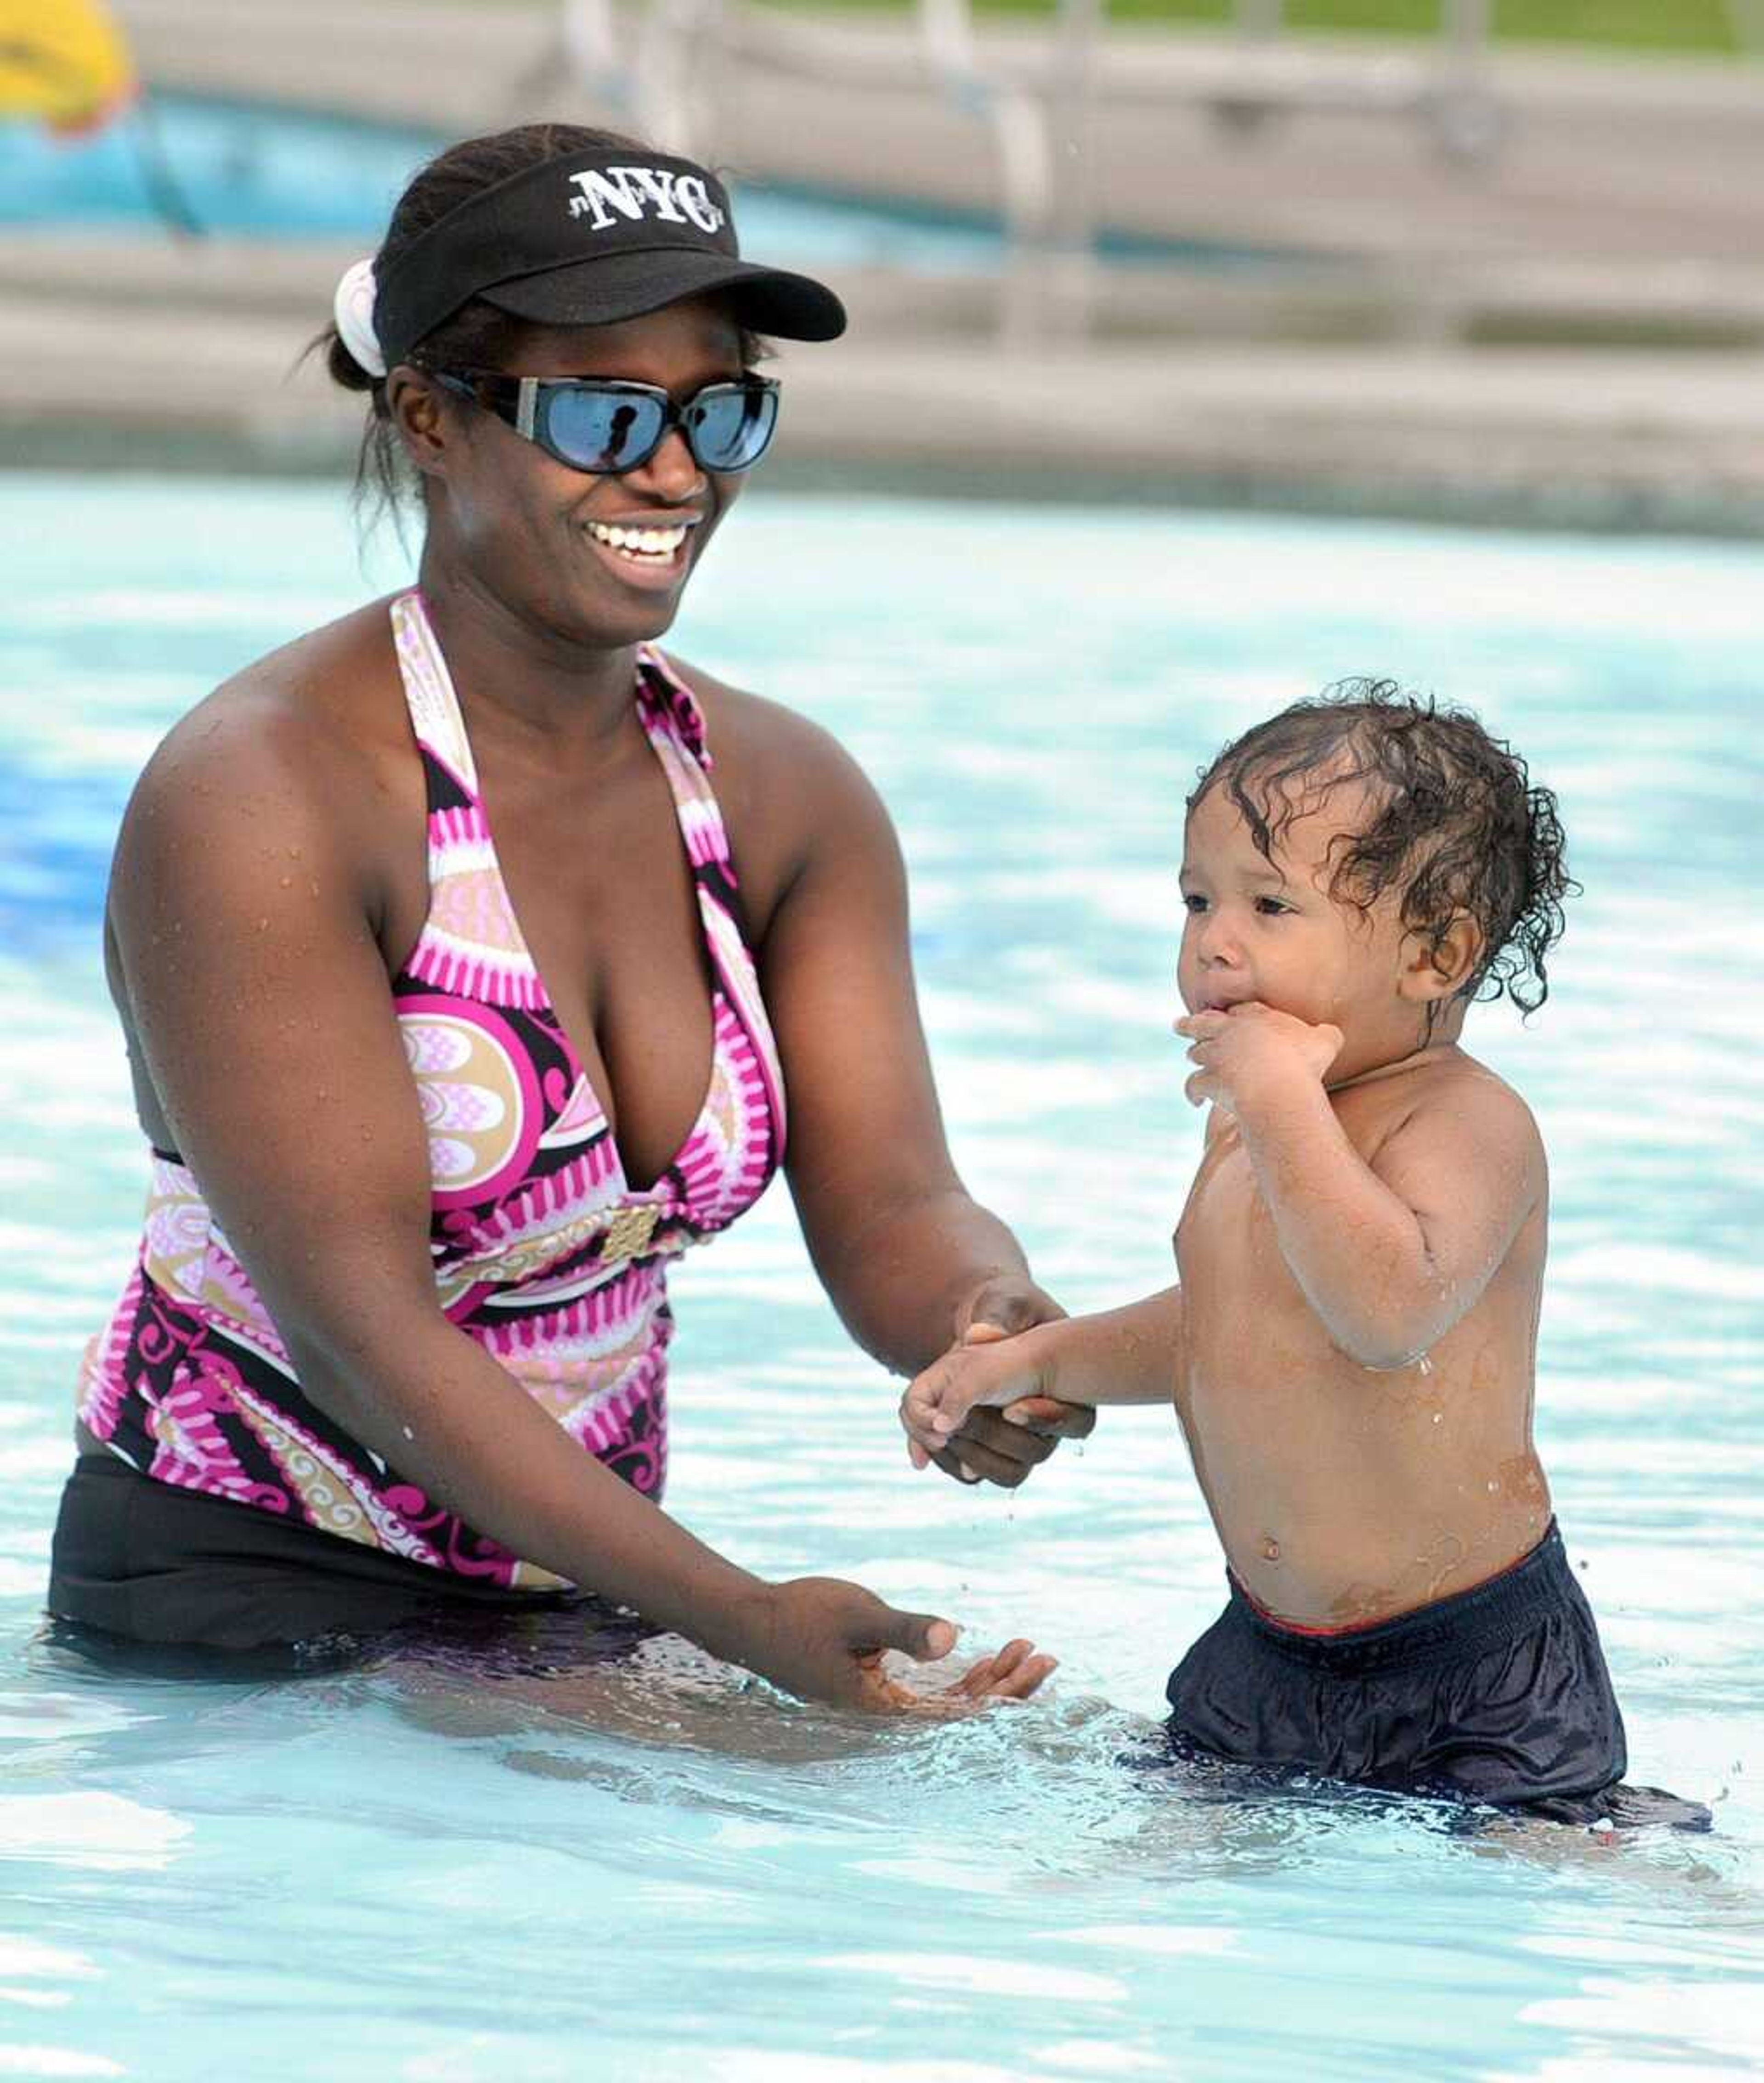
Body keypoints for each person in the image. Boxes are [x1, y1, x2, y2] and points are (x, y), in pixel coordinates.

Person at [46, 122, 1094, 1709]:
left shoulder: (782, 796)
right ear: (431, 420)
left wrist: (987, 1325)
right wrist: (739, 1623)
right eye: (606, 413)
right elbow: (359, 1337)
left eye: (719, 412)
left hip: (584, 1594)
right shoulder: (265, 796)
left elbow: (892, 1208)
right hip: (240, 1602)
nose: (672, 473)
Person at [902, 686, 1711, 1825]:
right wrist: (1036, 1361)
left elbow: (1386, 1314)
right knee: (1142, 1861)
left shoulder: (1465, 1123)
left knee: (1535, 1875)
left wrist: (1280, 1102)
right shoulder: (1257, 1125)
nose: (1212, 942)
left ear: (1435, 953)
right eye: (1196, 900)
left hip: (1470, 1672)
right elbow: (1226, 1323)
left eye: (1270, 905)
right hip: (1271, 1652)